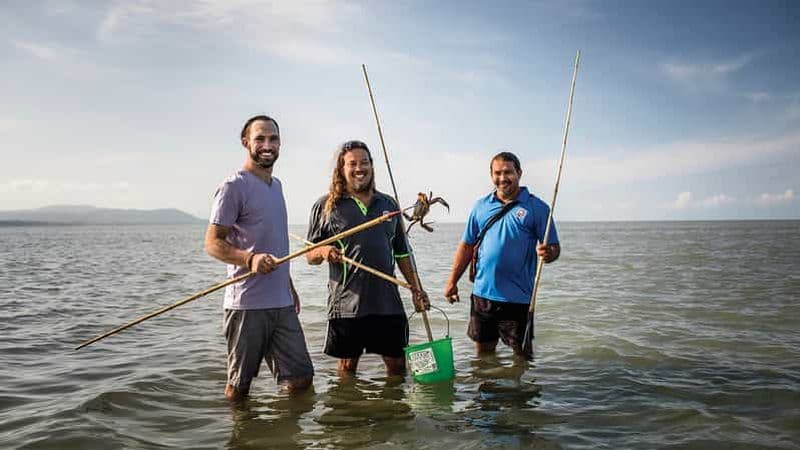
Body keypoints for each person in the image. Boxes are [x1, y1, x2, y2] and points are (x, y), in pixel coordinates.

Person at [205, 115, 314, 401]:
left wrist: (288, 285)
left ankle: (284, 437)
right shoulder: (233, 186)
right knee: (239, 389)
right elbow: (212, 243)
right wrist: (249, 259)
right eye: (260, 138)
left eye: (273, 139)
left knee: (301, 380)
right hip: (247, 305)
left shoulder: (277, 186)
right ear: (246, 143)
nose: (268, 145)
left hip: (281, 303)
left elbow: (274, 241)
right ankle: (241, 437)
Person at [305, 140, 430, 377]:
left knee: (397, 367)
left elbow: (402, 253)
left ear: (372, 166)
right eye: (352, 164)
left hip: (388, 303)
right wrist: (323, 251)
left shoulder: (389, 205)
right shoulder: (325, 206)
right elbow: (309, 254)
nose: (359, 168)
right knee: (347, 369)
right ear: (341, 169)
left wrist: (416, 289)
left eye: (364, 162)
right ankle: (350, 413)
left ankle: (392, 411)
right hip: (346, 306)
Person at [443, 151, 560, 358]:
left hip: (518, 298)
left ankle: (519, 391)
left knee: (522, 357)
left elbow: (553, 249)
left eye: (508, 172)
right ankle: (487, 390)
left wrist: (548, 253)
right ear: (491, 175)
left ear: (519, 173)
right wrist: (452, 282)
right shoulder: (480, 206)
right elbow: (466, 246)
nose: (502, 178)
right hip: (483, 295)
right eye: (497, 173)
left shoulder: (537, 208)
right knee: (483, 357)